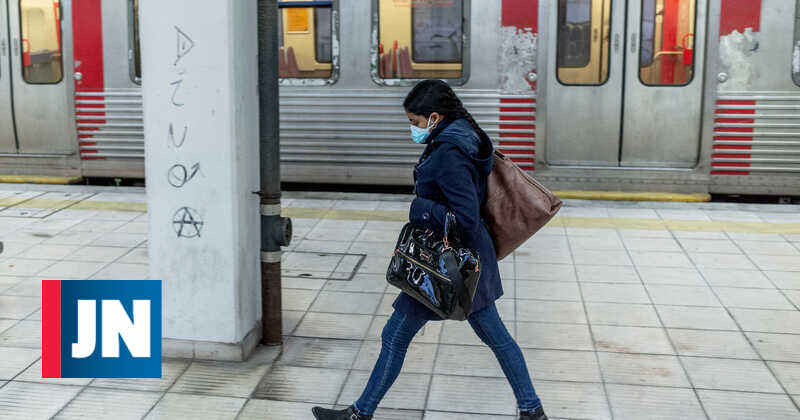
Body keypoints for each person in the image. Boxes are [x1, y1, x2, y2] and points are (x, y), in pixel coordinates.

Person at [312, 80, 548, 420]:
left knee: (395, 337)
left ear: (434, 117)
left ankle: (359, 415)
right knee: (495, 338)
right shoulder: (464, 135)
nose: (413, 129)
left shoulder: (450, 152)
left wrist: (421, 208)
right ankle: (532, 410)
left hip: (446, 266)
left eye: (415, 122)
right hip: (466, 263)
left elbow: (465, 218)